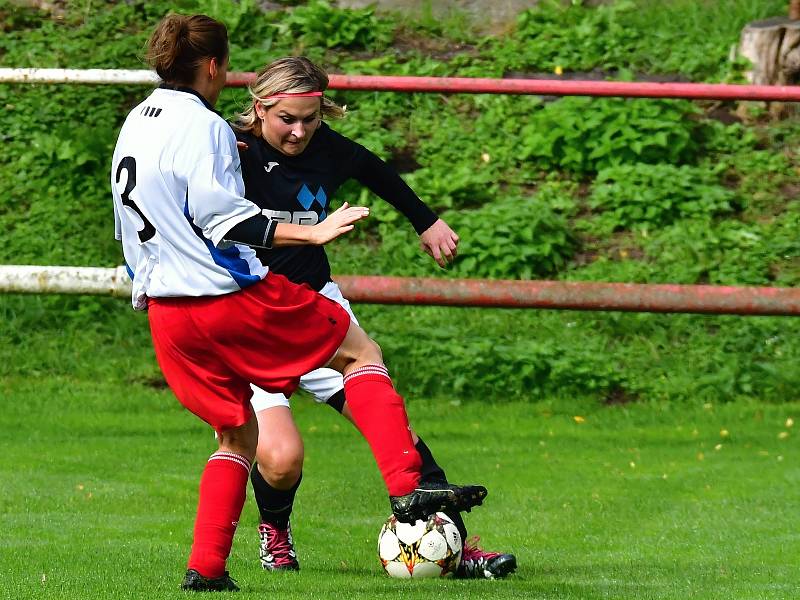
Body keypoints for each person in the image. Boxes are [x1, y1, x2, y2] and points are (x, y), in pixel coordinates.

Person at [110, 15, 487, 592]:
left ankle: (207, 570)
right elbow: (222, 216)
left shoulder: (137, 122)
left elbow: (128, 223)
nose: (298, 130)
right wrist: (311, 233)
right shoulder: (209, 129)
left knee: (238, 440)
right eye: (287, 117)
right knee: (360, 357)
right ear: (217, 69)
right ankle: (405, 485)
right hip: (234, 301)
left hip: (168, 313)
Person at [233, 56, 516, 580]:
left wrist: (426, 222)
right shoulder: (230, 150)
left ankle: (452, 544)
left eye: (309, 120)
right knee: (280, 458)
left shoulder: (327, 149)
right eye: (286, 120)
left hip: (314, 304)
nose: (298, 132)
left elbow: (379, 174)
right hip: (246, 314)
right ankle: (274, 529)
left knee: (390, 423)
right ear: (259, 107)